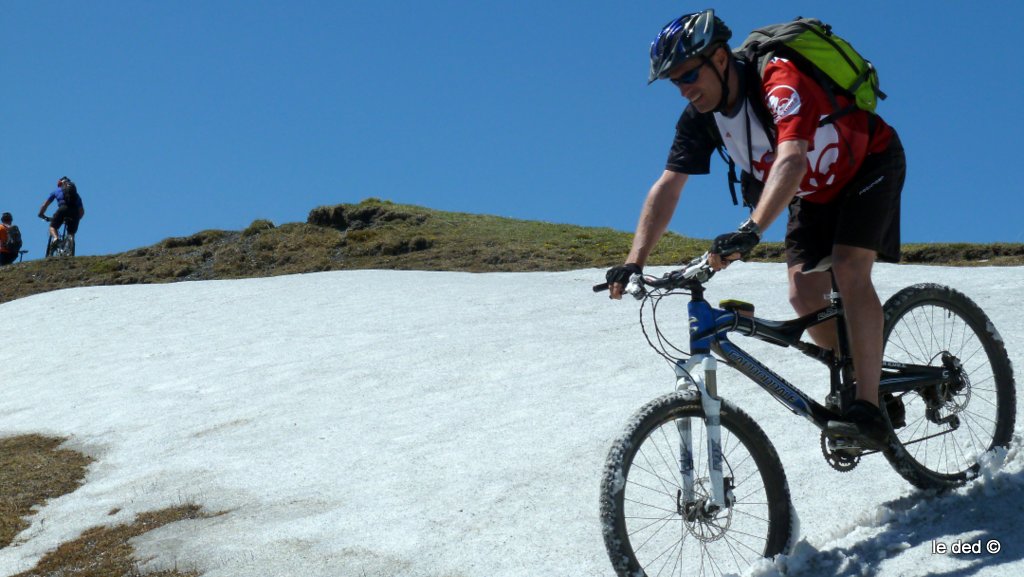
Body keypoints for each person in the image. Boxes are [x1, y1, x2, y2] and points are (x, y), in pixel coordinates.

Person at [604, 10, 906, 448]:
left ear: (721, 59)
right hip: (812, 195)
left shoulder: (779, 80)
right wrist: (635, 262)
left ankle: (868, 409)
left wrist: (751, 228)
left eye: (689, 74)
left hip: (869, 165)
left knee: (848, 268)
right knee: (803, 292)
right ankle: (864, 375)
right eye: (676, 81)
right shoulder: (702, 115)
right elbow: (669, 185)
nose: (685, 88)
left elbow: (792, 160)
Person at [39, 176, 85, 256]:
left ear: (60, 183)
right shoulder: (76, 195)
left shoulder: (56, 191)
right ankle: (70, 245)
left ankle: (56, 238)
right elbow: (81, 211)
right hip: (74, 212)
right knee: (71, 233)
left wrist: (41, 214)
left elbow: (45, 205)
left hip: (63, 209)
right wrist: (77, 219)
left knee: (52, 227)